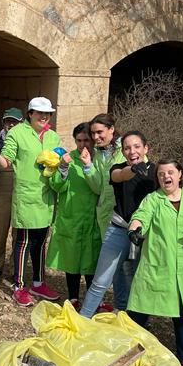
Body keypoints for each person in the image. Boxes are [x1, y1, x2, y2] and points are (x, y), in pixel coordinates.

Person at [126, 160, 183, 366]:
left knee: (182, 315)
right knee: (139, 312)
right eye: (161, 174)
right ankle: (126, 351)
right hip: (157, 265)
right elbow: (139, 217)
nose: (165, 177)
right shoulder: (153, 199)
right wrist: (134, 230)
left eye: (170, 172)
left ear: (180, 174)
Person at [78, 131, 156, 318]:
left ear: (146, 148)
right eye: (127, 148)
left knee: (139, 281)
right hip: (119, 229)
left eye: (137, 146)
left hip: (145, 234)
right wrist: (134, 169)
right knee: (101, 281)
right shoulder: (117, 169)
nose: (132, 151)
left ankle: (137, 323)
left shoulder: (157, 172)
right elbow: (121, 175)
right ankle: (82, 320)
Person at [0, 97, 62, 306]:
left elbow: (59, 158)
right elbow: (6, 159)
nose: (44, 117)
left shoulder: (53, 136)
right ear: (30, 113)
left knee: (41, 243)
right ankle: (19, 285)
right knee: (23, 242)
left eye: (48, 114)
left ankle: (39, 282)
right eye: (39, 113)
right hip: (25, 198)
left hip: (46, 197)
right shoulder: (17, 133)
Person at [46, 123, 100, 307]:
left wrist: (89, 166)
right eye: (79, 140)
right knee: (72, 258)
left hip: (92, 215)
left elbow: (100, 186)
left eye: (86, 140)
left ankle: (93, 301)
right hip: (72, 214)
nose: (83, 144)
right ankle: (74, 297)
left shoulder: (98, 158)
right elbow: (57, 186)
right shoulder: (68, 158)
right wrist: (62, 167)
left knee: (92, 258)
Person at [79, 113, 125, 312]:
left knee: (122, 269)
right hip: (106, 216)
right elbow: (98, 188)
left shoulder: (127, 149)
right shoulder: (99, 154)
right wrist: (88, 166)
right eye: (93, 133)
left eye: (100, 132)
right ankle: (119, 310)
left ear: (112, 129)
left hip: (125, 217)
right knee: (116, 270)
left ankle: (123, 313)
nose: (96, 137)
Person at [0, 107, 23, 281]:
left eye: (15, 122)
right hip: (1, 195)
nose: (11, 125)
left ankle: (17, 268)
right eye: (8, 121)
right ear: (3, 123)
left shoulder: (25, 143)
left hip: (22, 196)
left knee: (19, 235)